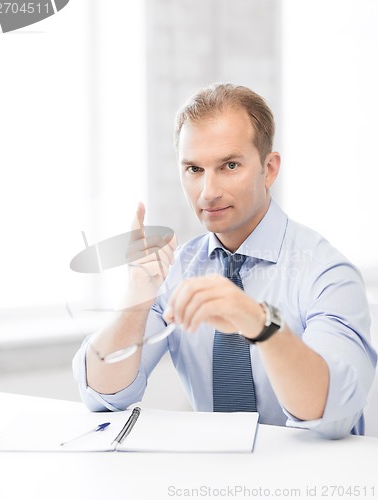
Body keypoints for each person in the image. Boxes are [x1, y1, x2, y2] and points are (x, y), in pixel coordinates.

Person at [73, 83, 377, 439]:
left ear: (269, 169)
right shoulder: (175, 270)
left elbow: (331, 413)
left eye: (229, 165)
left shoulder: (326, 274)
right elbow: (103, 395)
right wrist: (136, 300)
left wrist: (259, 323)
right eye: (194, 169)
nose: (208, 192)